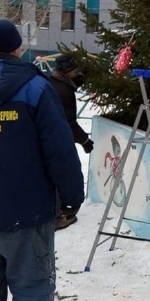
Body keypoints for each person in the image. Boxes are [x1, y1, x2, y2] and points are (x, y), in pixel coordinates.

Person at [0, 19, 85, 301]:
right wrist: (72, 196)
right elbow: (60, 150)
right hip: (26, 214)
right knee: (32, 291)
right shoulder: (36, 90)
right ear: (17, 48)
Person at [48, 55, 92, 230]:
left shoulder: (54, 80)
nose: (77, 72)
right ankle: (57, 215)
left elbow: (73, 82)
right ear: (67, 71)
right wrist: (85, 140)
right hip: (55, 136)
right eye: (75, 69)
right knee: (62, 172)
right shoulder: (63, 91)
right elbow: (69, 122)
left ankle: (60, 208)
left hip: (49, 134)